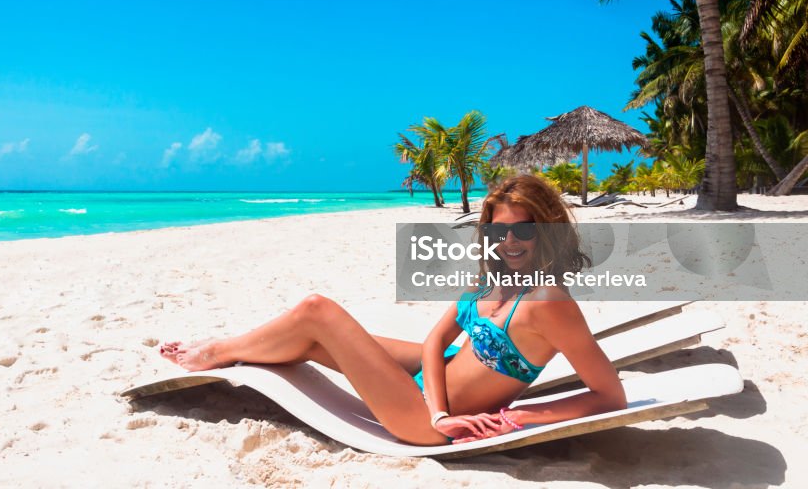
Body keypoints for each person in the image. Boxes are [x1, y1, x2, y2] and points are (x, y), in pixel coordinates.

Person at [160, 175, 626, 446]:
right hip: (431, 393)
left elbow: (610, 396)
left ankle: (219, 349)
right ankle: (229, 350)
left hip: (420, 422)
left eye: (523, 232)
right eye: (498, 231)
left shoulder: (549, 303)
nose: (509, 243)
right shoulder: (490, 281)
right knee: (310, 334)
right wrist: (438, 402)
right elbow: (435, 343)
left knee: (317, 310)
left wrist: (524, 415)